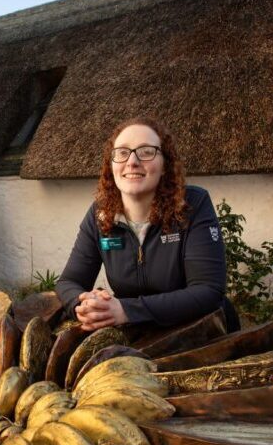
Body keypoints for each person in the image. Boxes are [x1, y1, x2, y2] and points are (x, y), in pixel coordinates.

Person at [55, 115, 237, 333]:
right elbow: (68, 282)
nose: (132, 161)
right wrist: (84, 304)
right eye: (122, 153)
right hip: (141, 337)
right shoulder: (99, 214)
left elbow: (208, 291)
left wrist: (125, 310)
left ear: (165, 166)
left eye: (146, 152)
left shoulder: (193, 205)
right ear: (111, 167)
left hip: (203, 335)